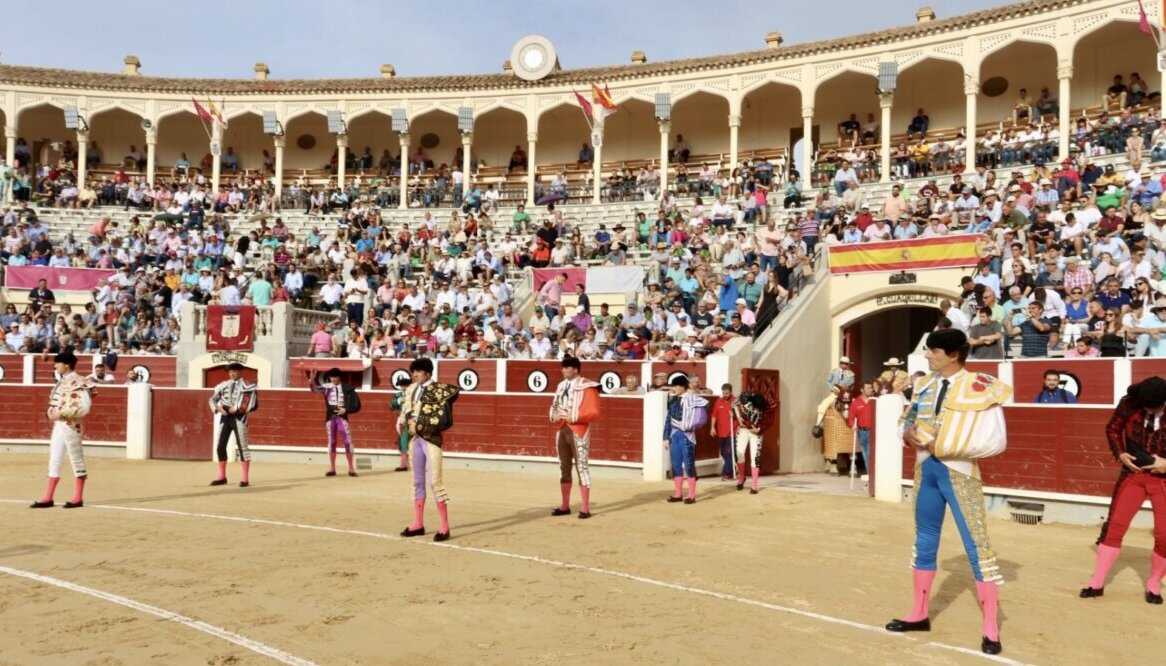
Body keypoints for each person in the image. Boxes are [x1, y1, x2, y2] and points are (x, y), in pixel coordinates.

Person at [887, 329, 1011, 656]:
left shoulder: (979, 387)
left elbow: (995, 440)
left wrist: (942, 445)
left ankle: (990, 627)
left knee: (976, 544)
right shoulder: (925, 384)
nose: (927, 356)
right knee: (924, 538)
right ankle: (919, 613)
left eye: (933, 350)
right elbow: (906, 422)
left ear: (954, 354)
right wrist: (909, 435)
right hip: (926, 469)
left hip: (959, 472)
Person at [1081, 376, 1166, 604]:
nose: (1148, 409)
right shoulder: (1129, 402)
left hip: (1164, 480)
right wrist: (1120, 453)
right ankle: (1097, 582)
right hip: (1134, 474)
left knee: (1164, 535)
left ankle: (1154, 584)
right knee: (1115, 527)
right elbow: (1112, 429)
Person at [397, 358, 461, 542]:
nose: (414, 374)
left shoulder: (439, 390)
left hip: (431, 439)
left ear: (428, 373)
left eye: (418, 371)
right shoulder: (411, 389)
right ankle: (418, 523)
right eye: (413, 371)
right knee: (417, 482)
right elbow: (407, 408)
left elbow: (442, 417)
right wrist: (401, 420)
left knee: (435, 482)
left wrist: (419, 423)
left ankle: (444, 527)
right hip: (414, 438)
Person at [30, 351, 98, 509]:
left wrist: (60, 413)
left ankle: (78, 498)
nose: (55, 366)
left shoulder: (80, 381)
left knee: (76, 459)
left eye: (57, 363)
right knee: (54, 458)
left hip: (72, 425)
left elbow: (84, 407)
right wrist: (52, 414)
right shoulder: (63, 381)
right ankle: (48, 497)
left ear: (66, 365)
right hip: (59, 425)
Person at [548, 357, 602, 519]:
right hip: (562, 429)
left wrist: (575, 417)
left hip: (578, 430)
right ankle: (565, 506)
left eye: (566, 367)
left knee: (582, 467)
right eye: (563, 367)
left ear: (576, 370)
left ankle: (585, 508)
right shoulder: (561, 385)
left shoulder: (587, 386)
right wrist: (554, 415)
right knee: (564, 467)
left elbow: (594, 410)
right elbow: (554, 404)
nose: (563, 370)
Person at [207, 362, 259, 488]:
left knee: (242, 447)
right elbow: (212, 399)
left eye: (234, 371)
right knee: (220, 446)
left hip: (239, 417)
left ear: (240, 372)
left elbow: (251, 402)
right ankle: (222, 476)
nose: (232, 374)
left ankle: (245, 479)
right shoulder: (223, 385)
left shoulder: (248, 385)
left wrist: (236, 409)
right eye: (230, 372)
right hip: (225, 417)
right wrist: (218, 408)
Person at [664, 374, 708, 504]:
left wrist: (691, 424)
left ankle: (691, 495)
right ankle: (678, 494)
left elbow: (702, 417)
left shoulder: (693, 399)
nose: (675, 388)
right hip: (674, 435)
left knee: (689, 465)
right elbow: (668, 420)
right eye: (674, 386)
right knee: (676, 465)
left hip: (687, 436)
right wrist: (665, 437)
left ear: (684, 387)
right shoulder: (673, 400)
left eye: (677, 386)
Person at [311, 368, 362, 478]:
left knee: (348, 441)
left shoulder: (348, 389)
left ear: (340, 377)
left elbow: (357, 405)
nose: (333, 379)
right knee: (332, 441)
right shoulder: (327, 388)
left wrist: (346, 410)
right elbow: (315, 390)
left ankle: (351, 468)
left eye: (335, 377)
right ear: (329, 377)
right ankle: (332, 468)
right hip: (330, 417)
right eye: (332, 377)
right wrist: (311, 382)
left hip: (342, 417)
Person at [733, 389, 776, 494]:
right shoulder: (745, 397)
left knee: (755, 457)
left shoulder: (767, 405)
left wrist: (759, 429)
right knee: (739, 453)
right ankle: (741, 478)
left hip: (756, 431)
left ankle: (754, 485)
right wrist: (738, 418)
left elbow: (770, 420)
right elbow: (733, 405)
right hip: (743, 429)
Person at [816, 356, 855, 429]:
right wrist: (832, 389)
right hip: (835, 392)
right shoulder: (834, 371)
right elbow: (828, 381)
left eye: (846, 363)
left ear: (848, 364)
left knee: (855, 404)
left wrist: (847, 387)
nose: (844, 365)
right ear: (840, 363)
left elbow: (852, 384)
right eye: (842, 363)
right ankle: (818, 426)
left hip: (845, 394)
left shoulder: (851, 374)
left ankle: (854, 425)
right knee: (823, 405)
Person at [710, 383, 736, 480]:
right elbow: (714, 415)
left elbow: (740, 415)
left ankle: (726, 473)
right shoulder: (718, 401)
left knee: (728, 452)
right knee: (723, 453)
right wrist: (712, 427)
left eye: (727, 393)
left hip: (731, 432)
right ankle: (731, 469)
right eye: (724, 393)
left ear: (731, 392)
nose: (725, 395)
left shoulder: (735, 401)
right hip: (721, 432)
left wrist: (734, 415)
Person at [388, 374, 412, 472]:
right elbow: (390, 406)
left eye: (405, 386)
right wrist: (398, 401)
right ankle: (403, 465)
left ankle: (418, 465)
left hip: (414, 421)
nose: (403, 388)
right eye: (402, 386)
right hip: (402, 422)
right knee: (403, 442)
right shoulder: (398, 395)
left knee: (416, 442)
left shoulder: (414, 394)